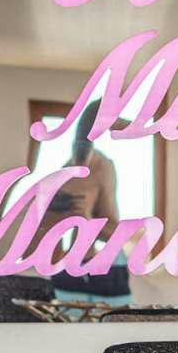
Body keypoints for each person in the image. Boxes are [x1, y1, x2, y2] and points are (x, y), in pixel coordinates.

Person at [47, 101, 131, 303]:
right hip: (68, 272)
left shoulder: (102, 168)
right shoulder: (65, 174)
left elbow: (111, 232)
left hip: (92, 271)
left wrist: (84, 220)